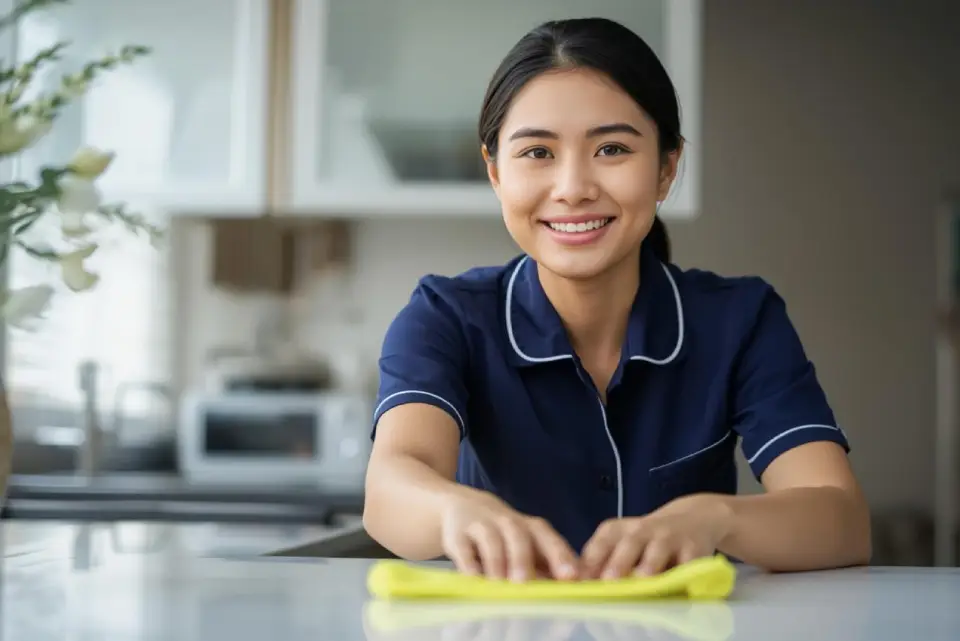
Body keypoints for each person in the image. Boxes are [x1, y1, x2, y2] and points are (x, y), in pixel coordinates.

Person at [362, 17, 872, 582]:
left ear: (666, 168)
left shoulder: (741, 320)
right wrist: (454, 511)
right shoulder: (444, 317)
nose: (574, 188)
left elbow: (841, 520)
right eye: (537, 152)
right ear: (496, 173)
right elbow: (390, 490)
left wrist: (713, 518)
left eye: (611, 148)